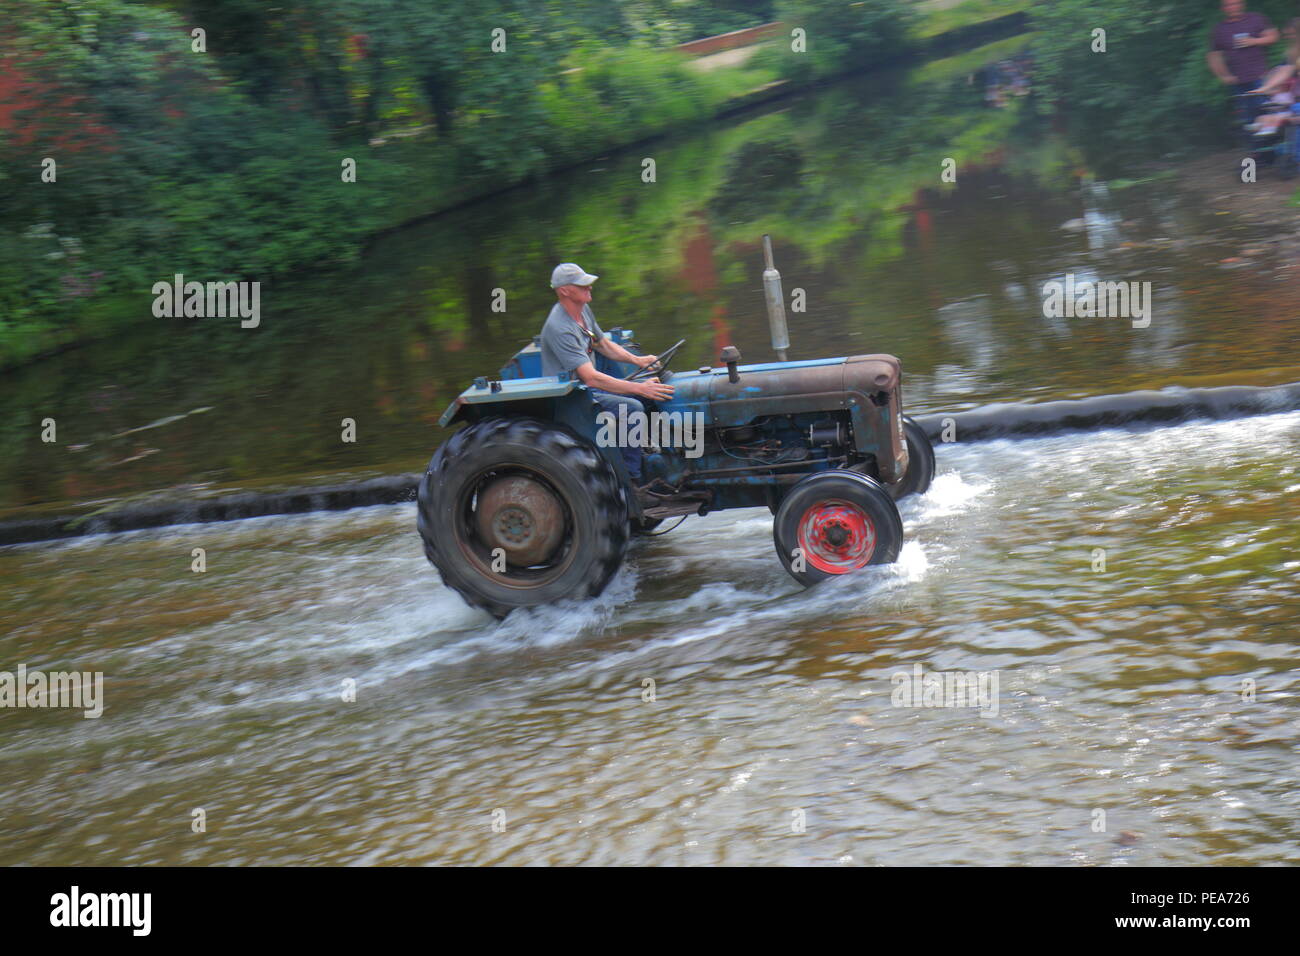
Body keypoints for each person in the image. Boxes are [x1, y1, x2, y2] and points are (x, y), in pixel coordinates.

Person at [539, 262, 673, 482]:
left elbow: (602, 344)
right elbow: (590, 378)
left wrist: (638, 360)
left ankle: (654, 453)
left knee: (657, 392)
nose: (589, 287)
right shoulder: (560, 327)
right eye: (582, 285)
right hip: (572, 398)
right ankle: (632, 480)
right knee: (632, 408)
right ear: (564, 290)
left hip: (585, 389)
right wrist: (640, 387)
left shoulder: (582, 310)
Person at [1207, 0, 1279, 126]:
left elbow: (1273, 37)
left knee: (1267, 111)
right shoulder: (1219, 29)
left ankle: (1274, 143)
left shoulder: (1256, 18)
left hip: (1261, 76)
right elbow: (1214, 56)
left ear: (1242, 4)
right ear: (1223, 8)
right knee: (1249, 118)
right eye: (1229, 5)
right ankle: (1256, 145)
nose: (1233, 7)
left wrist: (1254, 41)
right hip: (1238, 81)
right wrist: (1224, 76)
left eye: (1236, 3)